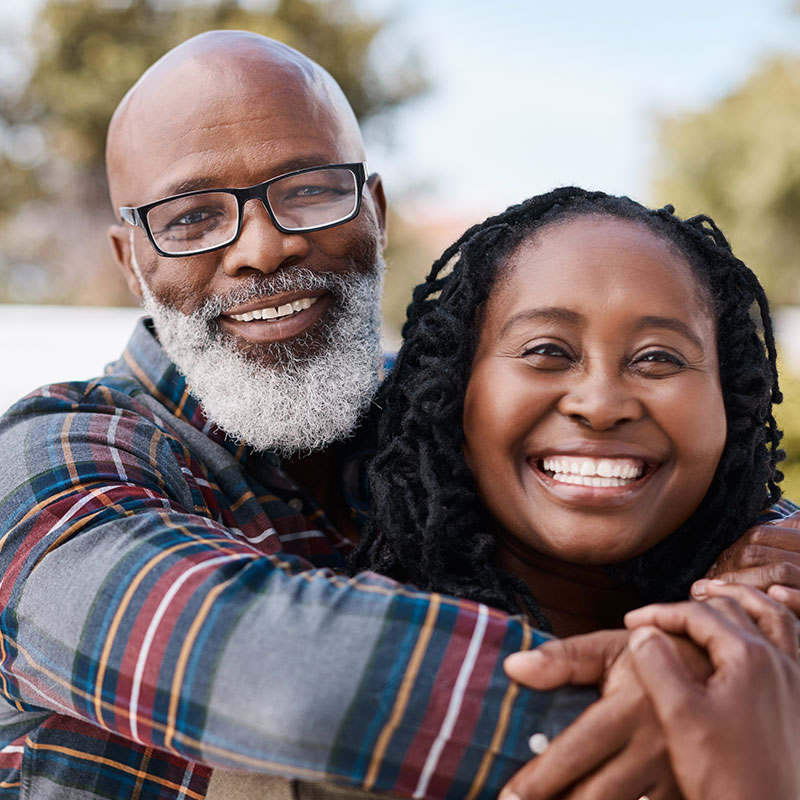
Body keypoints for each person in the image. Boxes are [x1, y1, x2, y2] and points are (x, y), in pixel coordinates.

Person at [0, 31, 795, 800]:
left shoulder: (447, 409)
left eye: (309, 191)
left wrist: (767, 576)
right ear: (130, 260)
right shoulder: (55, 459)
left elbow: (699, 484)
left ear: (373, 210)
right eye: (192, 219)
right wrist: (697, 704)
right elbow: (257, 663)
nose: (264, 248)